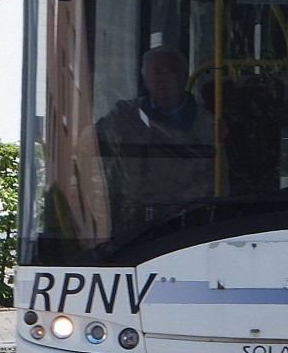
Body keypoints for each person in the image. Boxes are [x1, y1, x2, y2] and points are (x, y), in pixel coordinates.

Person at [92, 45, 220, 229]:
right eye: (157, 72)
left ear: (185, 76)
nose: (164, 79)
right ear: (145, 79)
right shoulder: (124, 115)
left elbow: (216, 182)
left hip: (186, 226)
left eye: (172, 71)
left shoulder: (208, 125)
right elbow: (88, 146)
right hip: (127, 226)